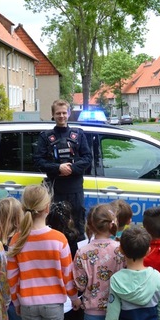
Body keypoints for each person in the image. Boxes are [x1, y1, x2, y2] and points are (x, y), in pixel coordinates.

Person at [7, 184, 81, 320]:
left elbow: (12, 277)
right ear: (47, 207)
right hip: (53, 304)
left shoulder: (17, 239)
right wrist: (74, 298)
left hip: (28, 303)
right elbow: (68, 275)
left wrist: (16, 301)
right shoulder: (59, 239)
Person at [74, 203, 126, 320]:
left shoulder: (83, 252)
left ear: (91, 225)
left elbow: (79, 283)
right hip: (117, 310)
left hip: (92, 310)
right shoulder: (120, 249)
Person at [34, 99, 93, 245]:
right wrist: (58, 168)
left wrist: (71, 168)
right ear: (53, 115)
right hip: (55, 190)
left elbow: (88, 158)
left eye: (64, 113)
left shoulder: (78, 134)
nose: (61, 116)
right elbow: (37, 161)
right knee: (55, 227)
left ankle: (76, 261)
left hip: (75, 191)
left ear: (69, 113)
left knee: (77, 227)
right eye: (58, 113)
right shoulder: (45, 137)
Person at [45, 201, 85, 320]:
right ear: (69, 220)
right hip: (70, 289)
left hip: (50, 289)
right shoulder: (77, 239)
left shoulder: (46, 238)